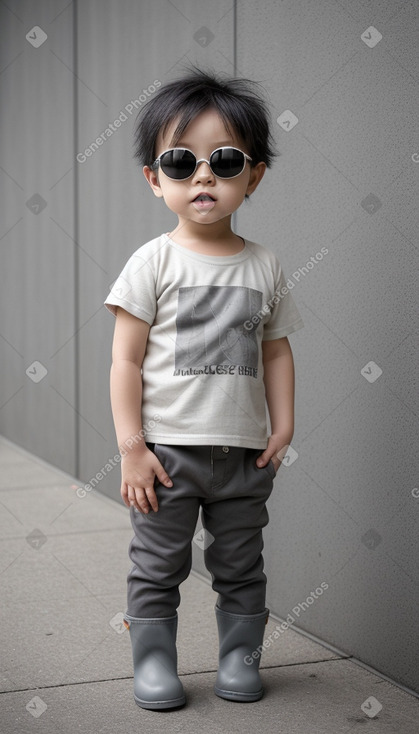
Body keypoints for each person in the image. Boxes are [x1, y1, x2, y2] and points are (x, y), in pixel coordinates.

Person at [104, 68, 304, 710]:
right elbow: (125, 364)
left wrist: (284, 423)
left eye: (224, 159)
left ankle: (240, 661)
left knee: (242, 566)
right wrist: (132, 447)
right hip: (166, 455)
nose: (204, 176)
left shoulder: (264, 264)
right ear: (154, 178)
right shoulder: (152, 261)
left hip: (244, 453)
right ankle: (155, 664)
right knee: (158, 566)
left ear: (256, 174)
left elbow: (276, 350)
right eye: (180, 161)